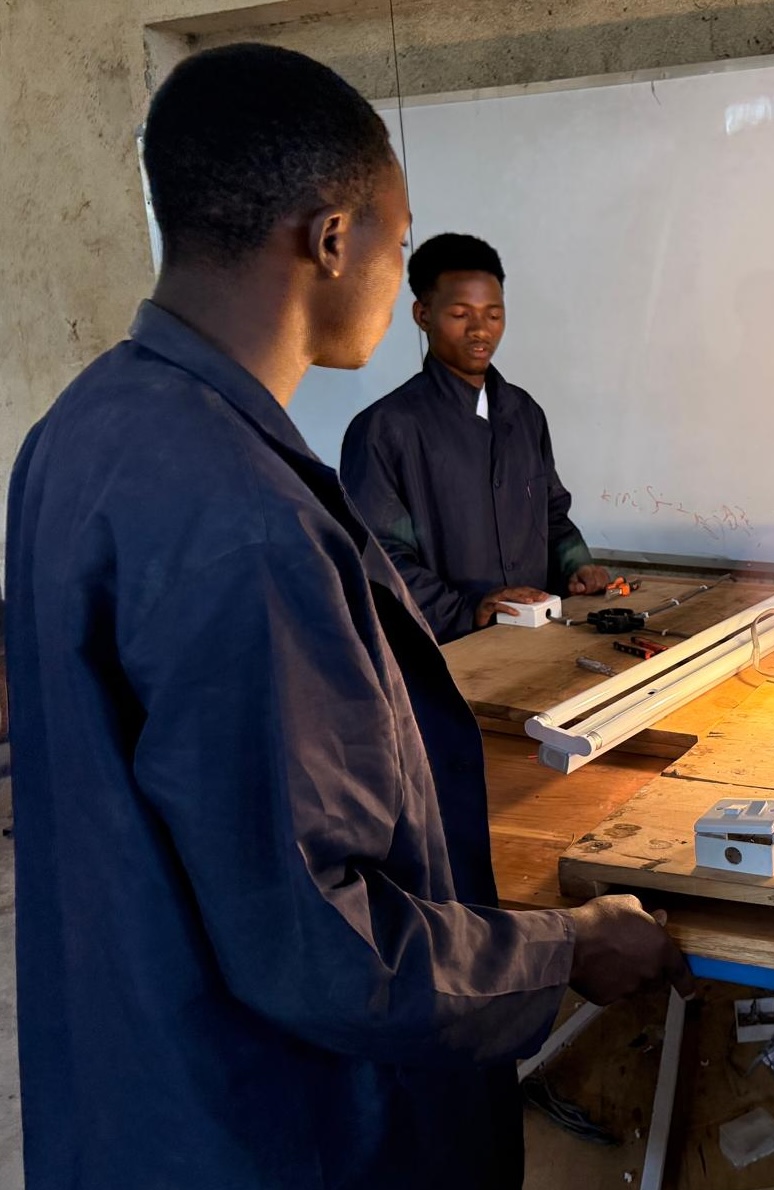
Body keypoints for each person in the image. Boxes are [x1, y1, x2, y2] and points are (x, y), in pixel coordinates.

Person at [4, 43, 690, 1190]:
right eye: (399, 241)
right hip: (270, 1124)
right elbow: (325, 945)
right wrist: (562, 948)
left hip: (131, 1087)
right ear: (332, 239)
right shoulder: (245, 516)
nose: (416, 286)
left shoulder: (77, 429)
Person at [341, 232, 611, 643]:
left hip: (537, 640)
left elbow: (552, 515)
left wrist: (578, 564)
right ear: (423, 315)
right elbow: (380, 557)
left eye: (493, 315)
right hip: (448, 650)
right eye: (460, 314)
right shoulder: (386, 428)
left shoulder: (525, 414)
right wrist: (467, 610)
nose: (480, 330)